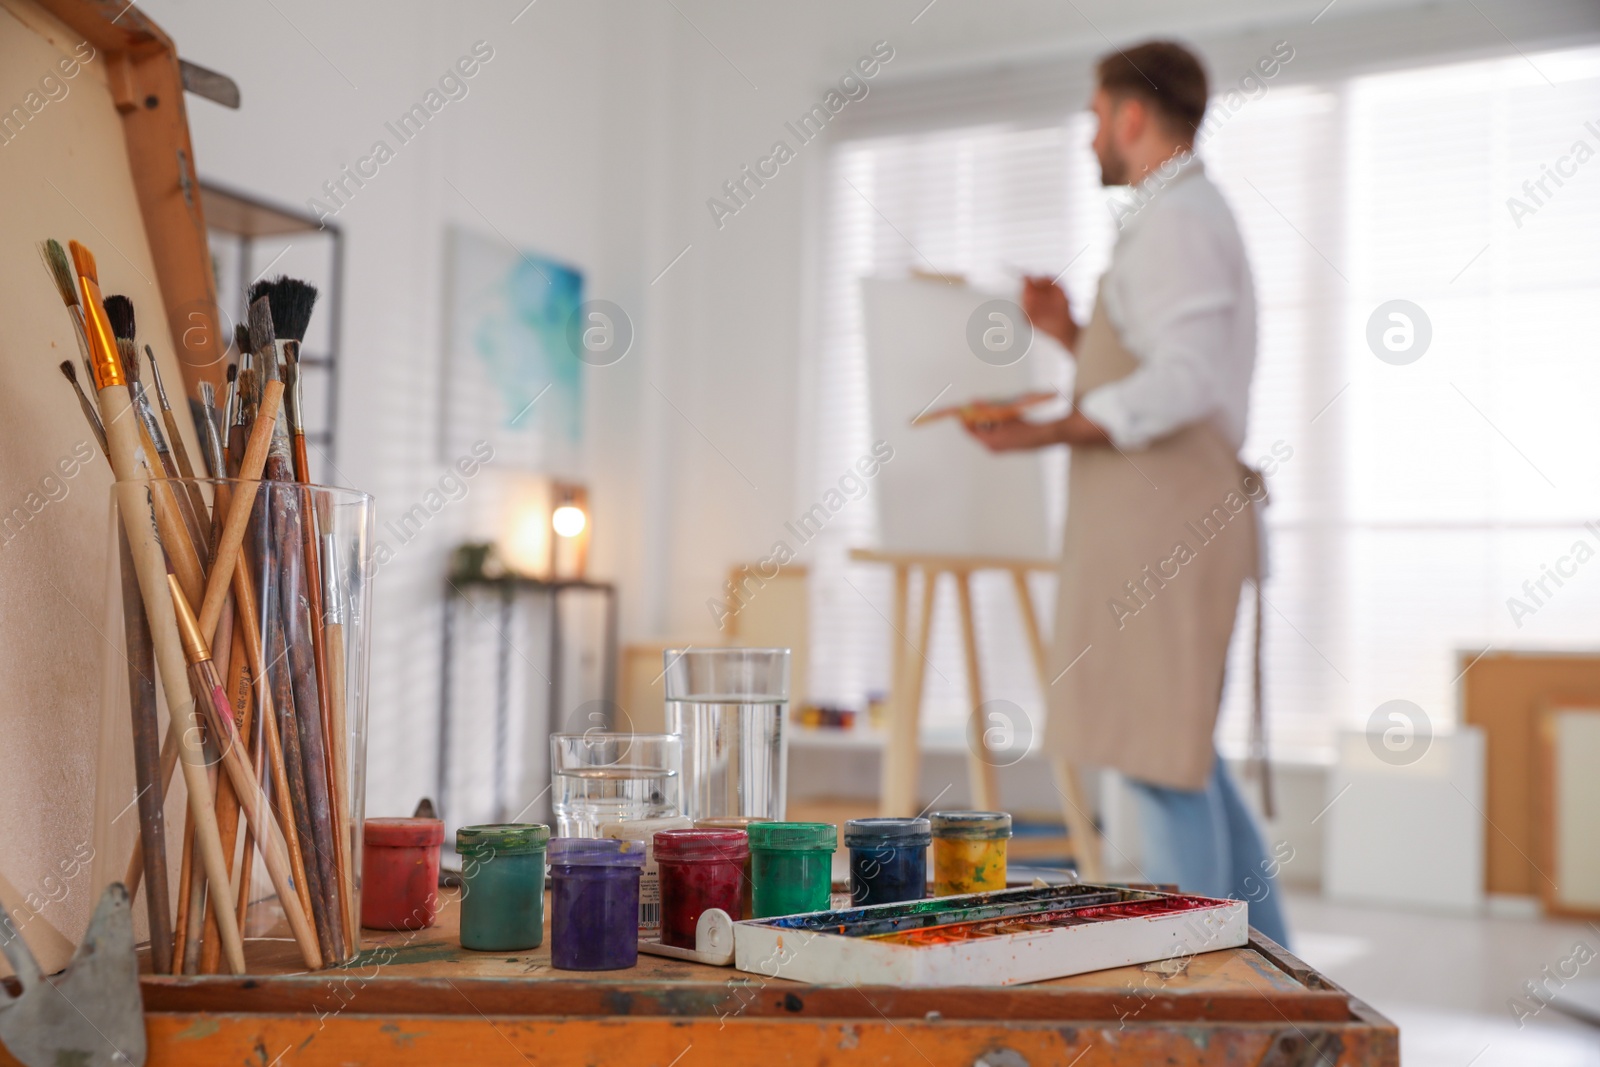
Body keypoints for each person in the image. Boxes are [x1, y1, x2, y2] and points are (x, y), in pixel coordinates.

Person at [965, 40, 1290, 947]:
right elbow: (1161, 370)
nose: (1089, 137)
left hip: (1170, 522)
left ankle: (1204, 983)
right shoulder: (1172, 216)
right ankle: (1283, 978)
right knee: (1184, 757)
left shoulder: (1183, 219)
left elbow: (1184, 380)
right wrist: (1072, 333)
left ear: (1133, 117)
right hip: (1163, 516)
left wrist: (1049, 428)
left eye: (1095, 116)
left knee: (1164, 762)